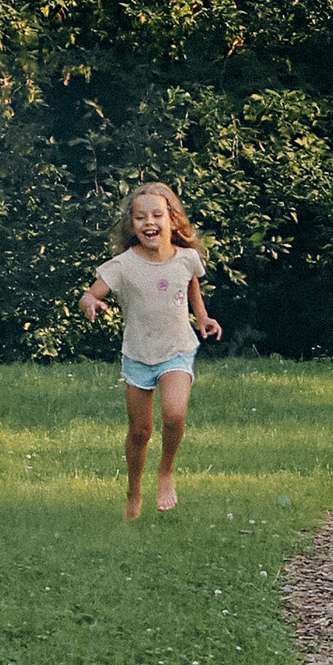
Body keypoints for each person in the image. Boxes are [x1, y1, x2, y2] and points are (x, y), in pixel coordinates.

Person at [82, 181, 220, 522]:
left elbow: (191, 288)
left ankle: (166, 471)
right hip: (138, 355)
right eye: (141, 217)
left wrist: (202, 318)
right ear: (132, 225)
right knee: (140, 432)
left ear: (173, 220)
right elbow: (90, 292)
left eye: (157, 215)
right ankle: (133, 489)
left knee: (174, 414)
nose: (149, 222)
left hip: (177, 349)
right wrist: (91, 302)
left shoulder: (187, 258)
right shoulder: (123, 264)